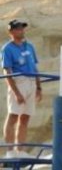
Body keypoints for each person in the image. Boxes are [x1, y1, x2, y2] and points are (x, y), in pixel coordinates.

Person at [1, 20, 41, 157]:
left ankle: (21, 150)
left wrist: (39, 87)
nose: (21, 31)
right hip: (19, 81)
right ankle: (10, 151)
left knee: (25, 118)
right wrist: (16, 92)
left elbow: (35, 67)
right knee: (13, 115)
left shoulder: (29, 46)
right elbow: (7, 71)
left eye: (22, 28)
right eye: (18, 29)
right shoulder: (7, 48)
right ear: (11, 32)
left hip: (31, 81)